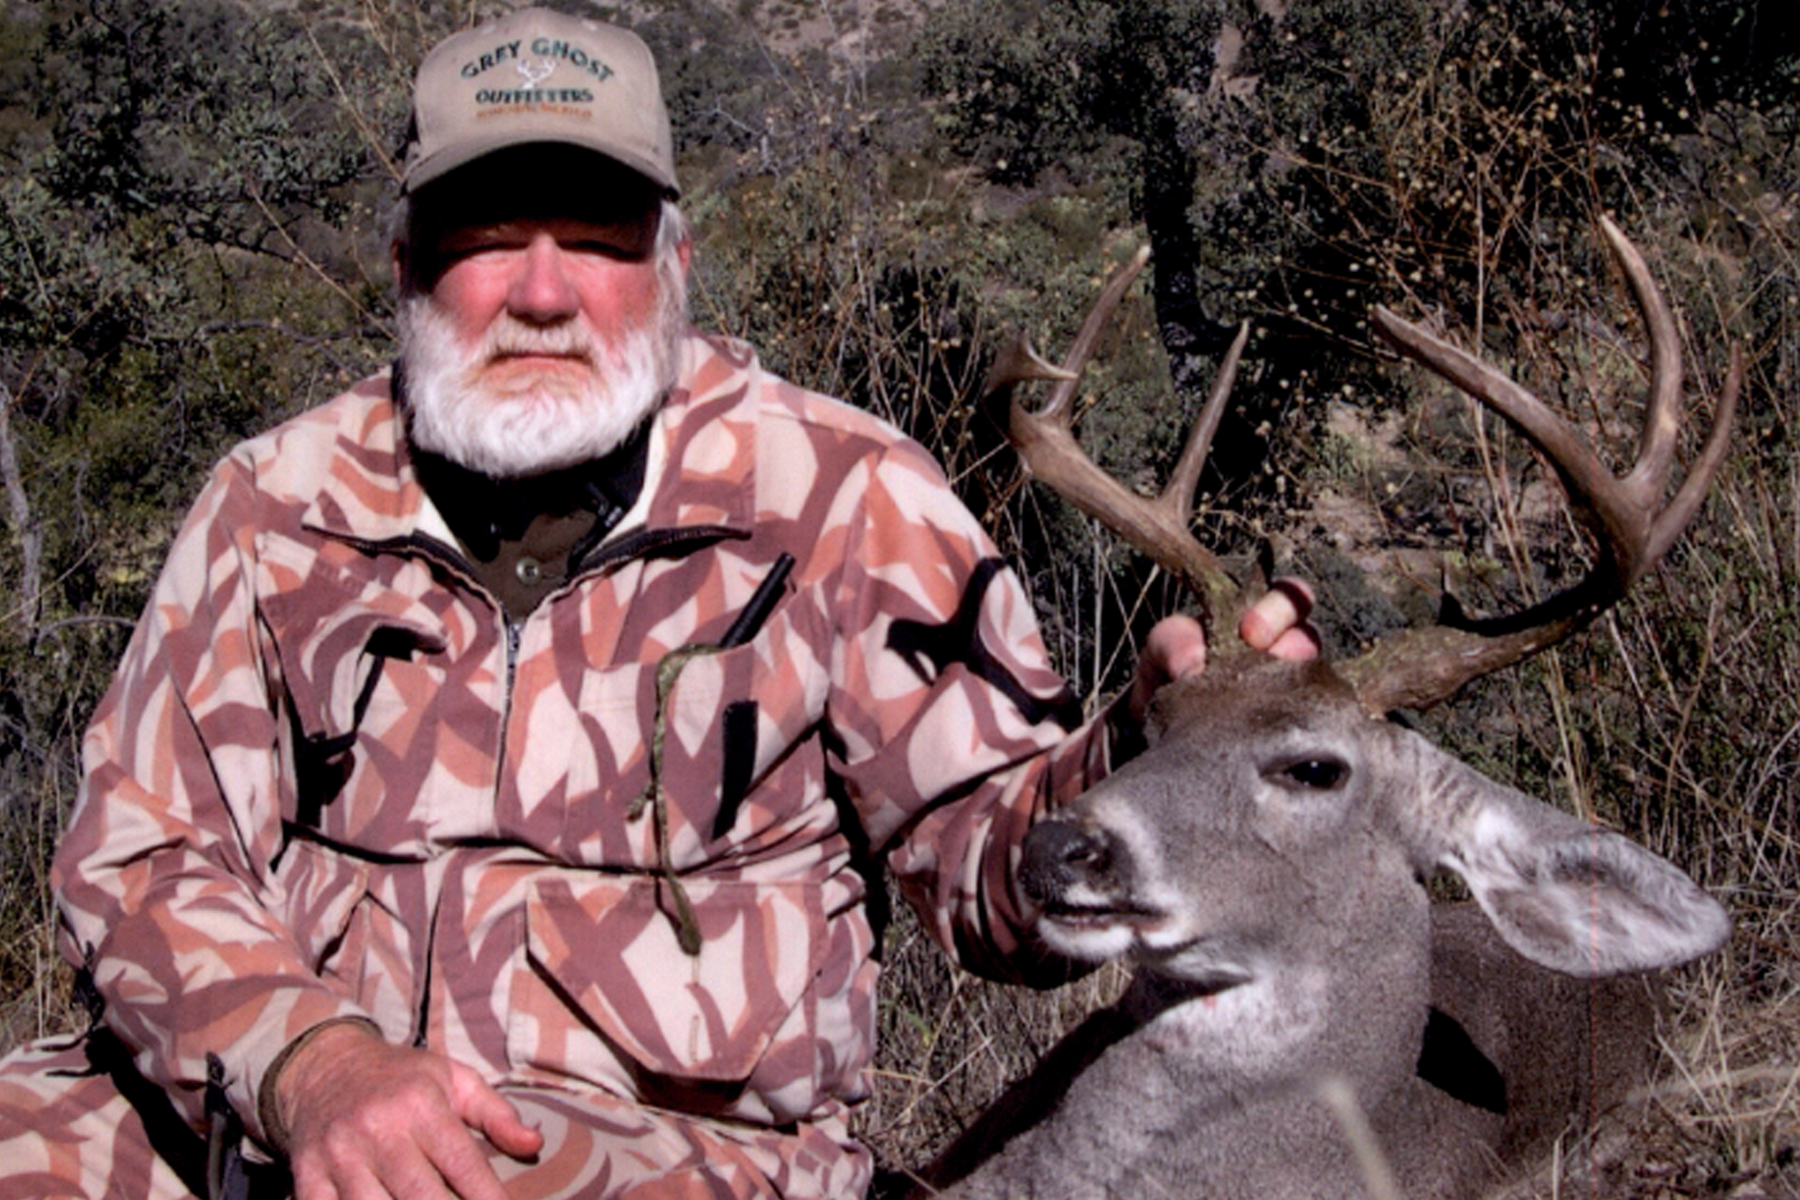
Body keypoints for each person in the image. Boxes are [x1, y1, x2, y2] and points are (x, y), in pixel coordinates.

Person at [0, 9, 1314, 1199]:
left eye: (597, 233)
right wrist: (314, 1065)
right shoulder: (276, 510)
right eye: (486, 233)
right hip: (306, 1131)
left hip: (688, 1162)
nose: (543, 292)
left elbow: (998, 875)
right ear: (407, 262)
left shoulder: (843, 501)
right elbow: (141, 857)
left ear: (673, 257)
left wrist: (1153, 755)